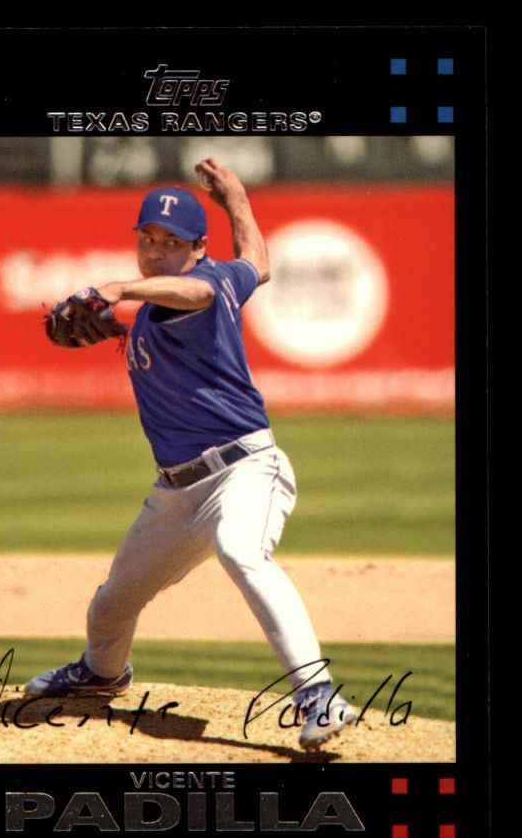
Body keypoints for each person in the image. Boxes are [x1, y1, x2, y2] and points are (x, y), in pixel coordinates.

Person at [25, 157, 356, 750]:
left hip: (244, 470)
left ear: (199, 249)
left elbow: (196, 290)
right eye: (147, 239)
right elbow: (258, 263)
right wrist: (236, 198)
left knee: (241, 551)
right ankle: (102, 674)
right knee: (113, 602)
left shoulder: (203, 285)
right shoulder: (214, 283)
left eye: (171, 242)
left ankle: (318, 694)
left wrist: (120, 288)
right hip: (176, 493)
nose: (155, 251)